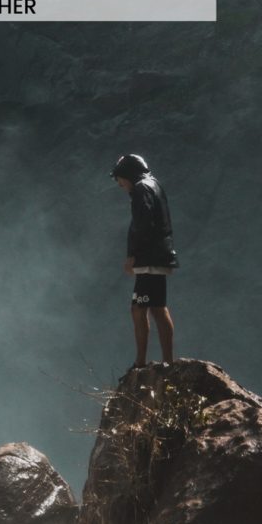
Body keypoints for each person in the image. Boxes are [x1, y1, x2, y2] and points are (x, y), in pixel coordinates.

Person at [110, 154, 179, 368]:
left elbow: (143, 223)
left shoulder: (141, 188)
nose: (119, 184)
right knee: (157, 307)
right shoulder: (154, 184)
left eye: (119, 178)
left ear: (128, 174)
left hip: (149, 258)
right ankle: (168, 362)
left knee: (138, 308)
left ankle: (140, 362)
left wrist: (133, 255)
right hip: (160, 255)